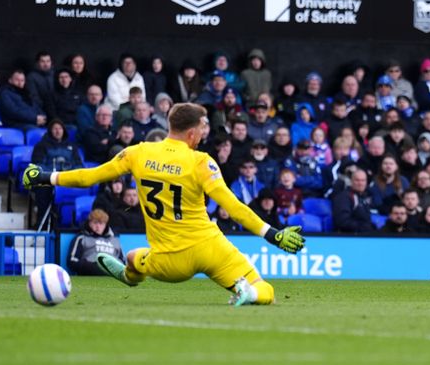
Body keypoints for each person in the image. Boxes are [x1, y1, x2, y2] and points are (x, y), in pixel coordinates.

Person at [22, 103, 305, 306]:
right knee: (264, 288)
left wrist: (45, 176)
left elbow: (89, 177)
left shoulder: (138, 153)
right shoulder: (201, 162)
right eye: (202, 129)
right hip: (210, 248)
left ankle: (129, 276)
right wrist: (273, 234)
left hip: (169, 262)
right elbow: (233, 206)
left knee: (133, 256)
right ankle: (248, 293)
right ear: (193, 133)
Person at [67, 209, 124, 276]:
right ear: (89, 223)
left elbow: (123, 262)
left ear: (105, 225)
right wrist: (92, 267)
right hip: (91, 273)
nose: (98, 226)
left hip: (114, 273)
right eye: (95, 223)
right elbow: (72, 261)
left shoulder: (115, 240)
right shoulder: (82, 238)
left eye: (101, 223)